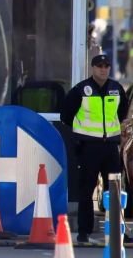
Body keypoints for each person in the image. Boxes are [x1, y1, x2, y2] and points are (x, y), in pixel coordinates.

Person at [60, 54, 128, 243]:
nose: (103, 69)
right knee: (86, 190)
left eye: (106, 66)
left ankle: (117, 231)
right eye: (99, 66)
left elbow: (121, 113)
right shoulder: (81, 89)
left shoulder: (116, 89)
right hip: (88, 147)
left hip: (110, 148)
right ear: (92, 68)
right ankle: (84, 231)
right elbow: (66, 115)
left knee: (114, 190)